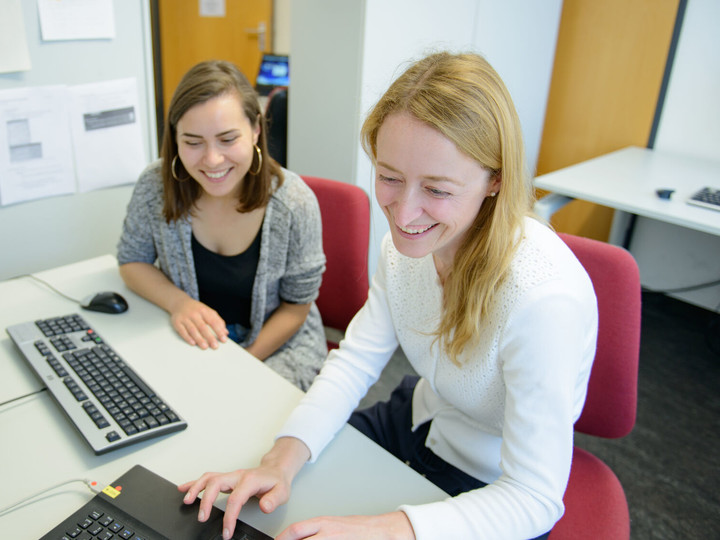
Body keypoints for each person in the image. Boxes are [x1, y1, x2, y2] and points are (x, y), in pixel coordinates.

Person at [178, 51, 599, 540]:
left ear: (496, 179)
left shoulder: (543, 299)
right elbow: (356, 359)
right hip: (418, 416)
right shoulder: (405, 251)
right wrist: (280, 460)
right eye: (390, 177)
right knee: (268, 509)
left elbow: (533, 496)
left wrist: (382, 529)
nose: (403, 214)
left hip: (493, 479)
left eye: (437, 189)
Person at [116, 60, 327, 391]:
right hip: (189, 336)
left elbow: (296, 310)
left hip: (276, 346)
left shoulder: (294, 203)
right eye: (193, 142)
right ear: (175, 137)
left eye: (228, 139)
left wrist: (240, 363)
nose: (212, 160)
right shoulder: (155, 187)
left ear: (256, 129)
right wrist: (179, 303)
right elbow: (132, 261)